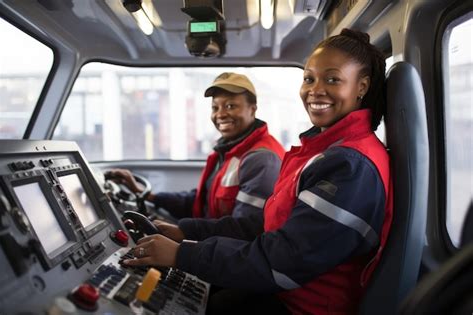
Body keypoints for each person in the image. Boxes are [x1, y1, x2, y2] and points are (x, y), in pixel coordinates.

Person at [124, 28, 393, 315]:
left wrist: (183, 253)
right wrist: (185, 232)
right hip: (282, 289)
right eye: (308, 79)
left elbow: (284, 260)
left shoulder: (350, 166)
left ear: (361, 87)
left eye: (332, 79)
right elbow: (262, 224)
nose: (315, 90)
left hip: (303, 305)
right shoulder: (322, 152)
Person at [108, 72, 285, 220]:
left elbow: (244, 229)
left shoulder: (262, 159)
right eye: (215, 108)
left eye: (231, 106)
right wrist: (146, 194)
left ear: (252, 109)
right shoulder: (230, 150)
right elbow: (201, 201)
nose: (221, 114)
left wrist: (182, 233)